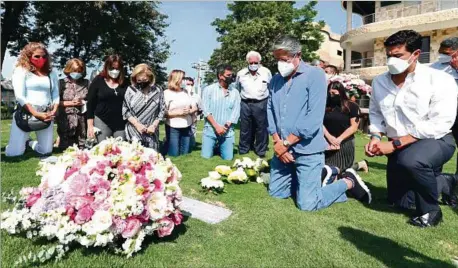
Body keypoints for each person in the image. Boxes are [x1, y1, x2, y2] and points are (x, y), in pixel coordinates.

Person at [267, 35, 371, 211]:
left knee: (307, 204)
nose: (280, 63)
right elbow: (270, 110)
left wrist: (285, 143)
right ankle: (320, 178)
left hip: (307, 149)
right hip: (283, 148)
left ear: (297, 55)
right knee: (277, 193)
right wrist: (278, 142)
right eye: (277, 59)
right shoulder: (276, 80)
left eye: (284, 59)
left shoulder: (315, 75)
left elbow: (313, 118)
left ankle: (348, 181)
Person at [366, 30, 458, 227]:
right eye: (389, 55)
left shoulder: (440, 80)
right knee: (400, 203)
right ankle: (444, 182)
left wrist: (396, 144)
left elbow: (440, 122)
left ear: (416, 54)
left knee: (411, 161)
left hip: (435, 140)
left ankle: (431, 211)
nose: (392, 60)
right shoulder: (380, 81)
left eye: (398, 55)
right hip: (398, 144)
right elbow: (375, 112)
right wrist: (375, 137)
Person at [6, 42, 59, 157]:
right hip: (26, 113)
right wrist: (35, 113)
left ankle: (30, 143)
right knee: (13, 154)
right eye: (37, 56)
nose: (41, 59)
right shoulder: (21, 71)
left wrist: (54, 110)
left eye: (44, 56)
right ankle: (17, 144)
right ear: (28, 56)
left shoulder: (51, 73)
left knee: (46, 151)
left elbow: (55, 94)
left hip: (46, 113)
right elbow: (20, 96)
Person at [324, 81, 368, 173]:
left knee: (342, 169)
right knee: (327, 170)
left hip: (345, 142)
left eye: (334, 93)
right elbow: (320, 123)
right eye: (329, 93)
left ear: (341, 92)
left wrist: (338, 140)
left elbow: (354, 127)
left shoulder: (352, 106)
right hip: (328, 141)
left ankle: (360, 164)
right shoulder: (325, 106)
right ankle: (360, 164)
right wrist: (330, 138)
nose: (331, 95)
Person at [236, 51, 272, 157]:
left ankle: (260, 150)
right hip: (245, 103)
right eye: (251, 62)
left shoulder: (266, 72)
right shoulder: (241, 74)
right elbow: (237, 88)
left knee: (261, 128)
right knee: (245, 128)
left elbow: (270, 88)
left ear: (259, 62)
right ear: (247, 62)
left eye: (255, 62)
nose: (253, 65)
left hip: (261, 102)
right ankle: (244, 149)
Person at [201, 64, 241, 160]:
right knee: (205, 157)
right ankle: (214, 146)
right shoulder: (208, 90)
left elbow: (236, 112)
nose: (231, 77)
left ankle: (220, 146)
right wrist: (217, 127)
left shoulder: (235, 92)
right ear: (220, 76)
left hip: (227, 132)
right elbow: (206, 111)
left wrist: (226, 126)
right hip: (210, 129)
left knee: (228, 158)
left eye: (232, 75)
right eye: (228, 75)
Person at [430, 37, 458, 173]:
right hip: (439, 114)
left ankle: (454, 186)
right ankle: (434, 180)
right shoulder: (434, 68)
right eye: (441, 52)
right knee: (436, 147)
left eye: (446, 54)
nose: (442, 56)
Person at [122, 64, 165, 150]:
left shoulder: (158, 90)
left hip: (152, 131)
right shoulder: (130, 90)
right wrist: (137, 125)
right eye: (139, 80)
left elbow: (162, 110)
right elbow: (125, 110)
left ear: (150, 77)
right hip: (134, 130)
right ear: (135, 78)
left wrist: (154, 125)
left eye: (145, 79)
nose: (142, 82)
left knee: (153, 159)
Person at [87, 54, 127, 143]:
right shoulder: (98, 80)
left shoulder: (125, 82)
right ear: (107, 67)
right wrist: (90, 126)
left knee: (121, 149)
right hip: (102, 120)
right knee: (103, 148)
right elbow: (90, 104)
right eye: (112, 68)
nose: (115, 71)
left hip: (120, 122)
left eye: (117, 69)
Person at [55, 58, 89, 149]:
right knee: (65, 147)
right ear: (69, 69)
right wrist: (71, 103)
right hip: (65, 118)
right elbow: (54, 102)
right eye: (74, 70)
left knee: (82, 145)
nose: (77, 73)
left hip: (82, 118)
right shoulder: (61, 83)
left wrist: (83, 102)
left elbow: (91, 100)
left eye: (79, 71)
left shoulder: (87, 83)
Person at [164, 70, 197, 156]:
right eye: (183, 78)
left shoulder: (186, 92)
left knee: (185, 154)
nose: (185, 81)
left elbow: (194, 107)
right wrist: (178, 113)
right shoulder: (166, 93)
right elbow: (163, 113)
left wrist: (189, 111)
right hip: (173, 127)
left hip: (186, 126)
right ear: (177, 79)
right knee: (173, 154)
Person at [184, 77, 202, 149]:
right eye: (188, 84)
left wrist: (195, 114)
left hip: (192, 121)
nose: (189, 86)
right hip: (181, 120)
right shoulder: (180, 95)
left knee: (191, 144)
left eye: (191, 84)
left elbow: (201, 108)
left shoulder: (197, 96)